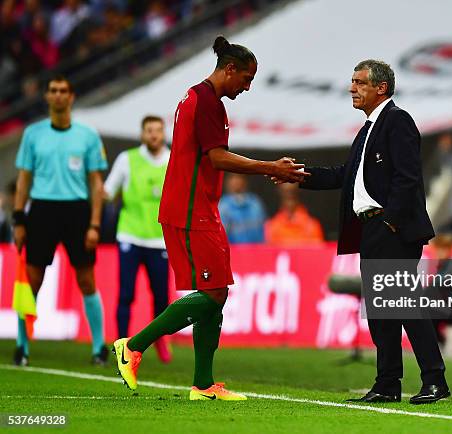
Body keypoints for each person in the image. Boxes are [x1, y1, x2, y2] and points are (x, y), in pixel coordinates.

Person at [111, 35, 307, 401]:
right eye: (246, 78)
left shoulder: (198, 97)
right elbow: (217, 158)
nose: (247, 87)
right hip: (190, 209)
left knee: (215, 290)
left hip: (197, 206)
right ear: (229, 69)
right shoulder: (206, 104)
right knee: (215, 292)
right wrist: (270, 166)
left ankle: (202, 385)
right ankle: (133, 346)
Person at [299, 60, 448, 404]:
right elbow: (343, 175)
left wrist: (391, 220)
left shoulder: (397, 121)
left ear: (380, 88)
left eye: (359, 82)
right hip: (373, 229)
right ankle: (387, 384)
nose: (352, 88)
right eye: (352, 82)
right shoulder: (367, 129)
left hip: (391, 228)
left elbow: (408, 177)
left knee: (404, 305)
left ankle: (435, 380)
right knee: (382, 311)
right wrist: (300, 175)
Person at [12, 75, 108, 366]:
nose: (57, 95)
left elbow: (95, 184)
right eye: (52, 91)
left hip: (77, 212)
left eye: (63, 91)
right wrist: (18, 219)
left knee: (87, 280)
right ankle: (22, 345)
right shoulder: (32, 134)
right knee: (31, 281)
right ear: (46, 97)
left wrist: (94, 224)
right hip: (41, 211)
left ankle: (99, 347)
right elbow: (23, 181)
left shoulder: (88, 136)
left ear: (72, 96)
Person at [104, 115, 172, 363]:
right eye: (149, 130)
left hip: (159, 240)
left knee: (162, 298)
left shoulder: (173, 161)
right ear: (142, 134)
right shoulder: (127, 159)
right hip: (130, 236)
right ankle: (122, 343)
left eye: (157, 130)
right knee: (126, 294)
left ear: (163, 133)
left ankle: (159, 341)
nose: (153, 134)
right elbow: (109, 192)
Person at [219, 173, 266, 244]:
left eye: (240, 177)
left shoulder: (255, 203)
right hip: (233, 252)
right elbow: (221, 237)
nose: (237, 181)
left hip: (256, 251)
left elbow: (264, 231)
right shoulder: (222, 206)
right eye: (232, 177)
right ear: (227, 181)